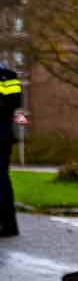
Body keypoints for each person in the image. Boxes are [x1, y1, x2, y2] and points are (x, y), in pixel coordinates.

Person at [0, 61, 19, 238]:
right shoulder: (9, 75)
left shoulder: (7, 76)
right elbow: (15, 102)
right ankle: (8, 224)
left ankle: (7, 224)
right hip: (4, 136)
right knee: (3, 179)